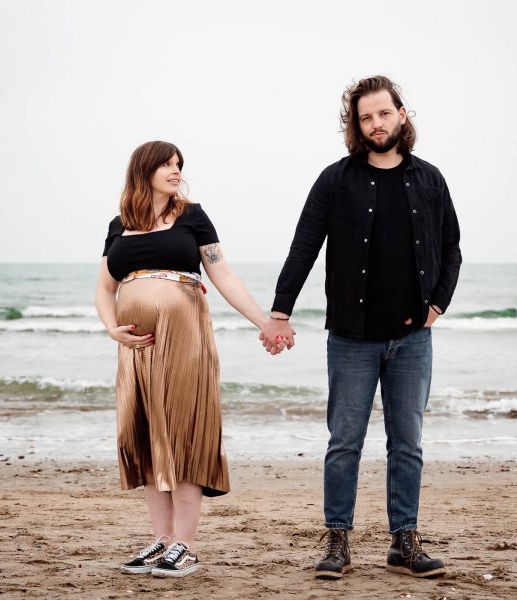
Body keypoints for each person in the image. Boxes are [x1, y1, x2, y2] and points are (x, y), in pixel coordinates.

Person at [259, 76, 461, 579]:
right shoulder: (336, 180)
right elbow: (304, 246)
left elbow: (452, 247)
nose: (375, 124)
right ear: (356, 125)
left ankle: (404, 542)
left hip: (413, 338)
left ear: (401, 114)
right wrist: (279, 312)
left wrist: (439, 302)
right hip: (351, 337)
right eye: (365, 117)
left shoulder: (430, 179)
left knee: (407, 442)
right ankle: (337, 541)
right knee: (344, 441)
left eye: (383, 114)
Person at [96, 141, 276, 578]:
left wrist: (265, 322)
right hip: (137, 351)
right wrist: (111, 328)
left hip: (185, 342)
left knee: (182, 433)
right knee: (148, 437)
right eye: (167, 164)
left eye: (179, 165)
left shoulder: (192, 216)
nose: (176, 171)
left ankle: (186, 545)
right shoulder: (120, 224)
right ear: (145, 169)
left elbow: (223, 274)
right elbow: (104, 288)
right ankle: (161, 541)